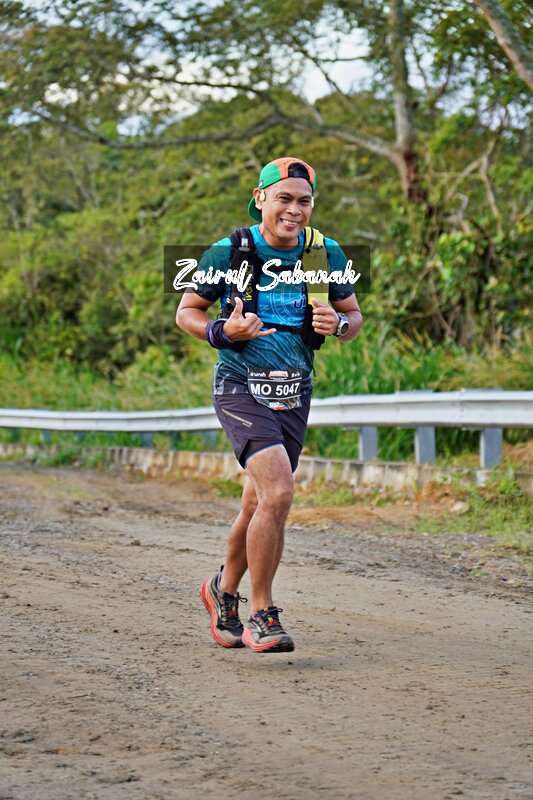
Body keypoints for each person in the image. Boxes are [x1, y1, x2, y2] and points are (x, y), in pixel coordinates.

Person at [176, 156, 363, 653]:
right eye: (284, 198)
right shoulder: (228, 251)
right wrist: (223, 331)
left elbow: (352, 315)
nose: (294, 210)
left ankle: (222, 592)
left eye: (304, 201)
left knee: (258, 502)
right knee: (278, 492)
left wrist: (340, 325)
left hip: (294, 390)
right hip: (239, 385)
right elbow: (187, 312)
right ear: (260, 198)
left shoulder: (324, 252)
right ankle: (262, 613)